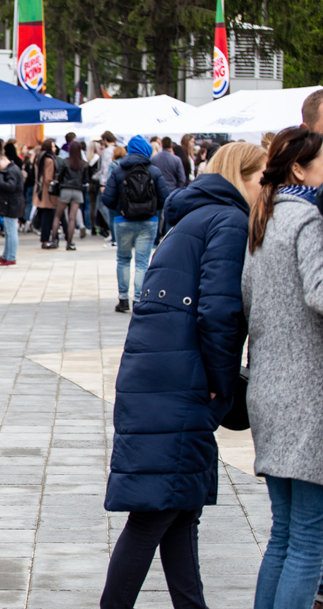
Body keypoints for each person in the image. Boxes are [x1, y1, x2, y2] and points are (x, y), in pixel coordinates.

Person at [102, 141, 266, 609]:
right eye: (261, 180)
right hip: (183, 380)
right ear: (241, 176)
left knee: (177, 510)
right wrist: (222, 385)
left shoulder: (191, 217)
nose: (265, 191)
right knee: (156, 514)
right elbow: (219, 312)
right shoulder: (230, 222)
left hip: (158, 375)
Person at [242, 127, 323, 609]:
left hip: (269, 391)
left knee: (284, 533)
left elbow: (250, 303)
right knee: (309, 539)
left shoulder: (264, 219)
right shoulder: (307, 219)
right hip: (307, 395)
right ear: (299, 168)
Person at [102, 135, 170, 313]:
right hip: (148, 222)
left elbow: (107, 199)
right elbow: (165, 198)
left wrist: (120, 207)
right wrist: (152, 209)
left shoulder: (117, 170)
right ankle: (138, 299)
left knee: (123, 260)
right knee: (142, 262)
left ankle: (123, 299)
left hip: (122, 221)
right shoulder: (154, 171)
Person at [48, 140, 88, 250]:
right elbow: (85, 179)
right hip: (77, 191)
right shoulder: (83, 164)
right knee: (72, 218)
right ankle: (70, 243)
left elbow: (59, 177)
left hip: (65, 190)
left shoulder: (65, 162)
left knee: (58, 216)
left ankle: (53, 241)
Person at [0, 152, 23, 267]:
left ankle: (10, 257)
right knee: (9, 231)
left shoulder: (12, 170)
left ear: (3, 158)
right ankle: (7, 256)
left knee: (11, 231)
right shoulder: (12, 169)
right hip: (12, 203)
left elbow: (11, 186)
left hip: (12, 203)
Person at [33, 139, 59, 249]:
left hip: (39, 189)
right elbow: (49, 178)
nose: (55, 149)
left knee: (44, 215)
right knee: (47, 217)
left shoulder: (38, 157)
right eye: (53, 146)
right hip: (47, 192)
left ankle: (45, 238)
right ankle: (45, 239)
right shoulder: (49, 159)